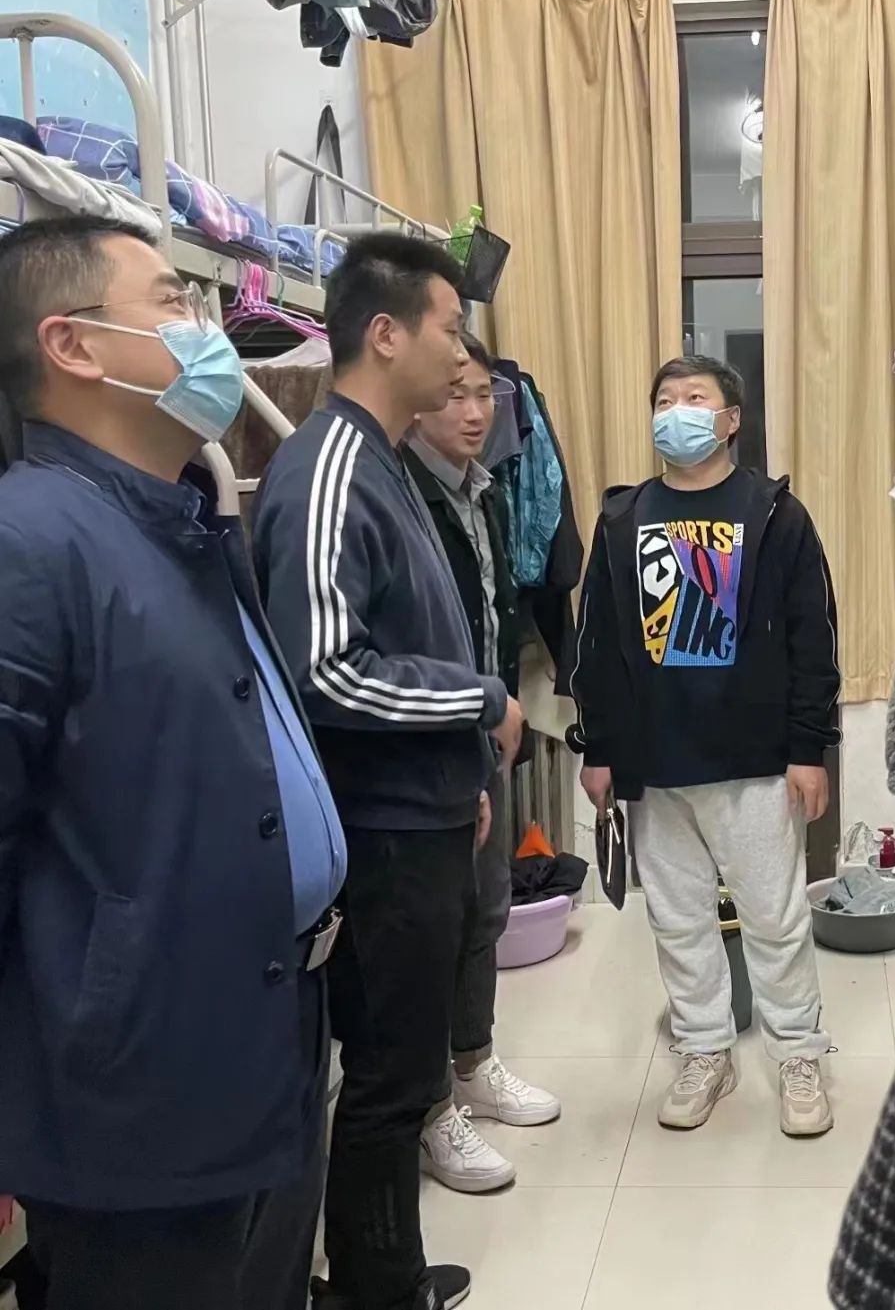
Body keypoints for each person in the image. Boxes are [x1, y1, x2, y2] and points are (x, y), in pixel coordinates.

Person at [0, 217, 345, 1310]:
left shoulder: (182, 515)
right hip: (135, 1088)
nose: (208, 330)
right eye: (172, 302)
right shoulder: (28, 544)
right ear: (73, 345)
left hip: (257, 1030)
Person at [252, 234, 524, 1310]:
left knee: (402, 1071)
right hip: (378, 832)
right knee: (388, 1079)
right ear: (385, 333)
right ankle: (377, 1290)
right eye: (450, 329)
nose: (462, 356)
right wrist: (479, 703)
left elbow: (409, 635)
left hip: (420, 812)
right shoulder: (329, 467)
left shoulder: (385, 459)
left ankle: (385, 1275)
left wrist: (464, 779)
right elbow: (325, 668)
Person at [569, 354, 840, 1136]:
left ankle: (798, 1054)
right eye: (664, 399)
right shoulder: (621, 520)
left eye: (695, 398)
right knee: (679, 921)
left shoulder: (775, 514)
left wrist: (809, 746)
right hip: (654, 763)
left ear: (731, 420)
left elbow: (813, 635)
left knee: (775, 919)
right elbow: (596, 644)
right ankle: (704, 1048)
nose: (676, 411)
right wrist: (597, 748)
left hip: (754, 759)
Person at [402, 332, 562, 1196]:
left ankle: (473, 1065)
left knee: (484, 910)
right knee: (436, 927)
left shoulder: (484, 490)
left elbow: (494, 615)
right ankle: (431, 1108)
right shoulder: (400, 493)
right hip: (431, 742)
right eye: (454, 393)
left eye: (485, 397)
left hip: (483, 730)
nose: (473, 413)